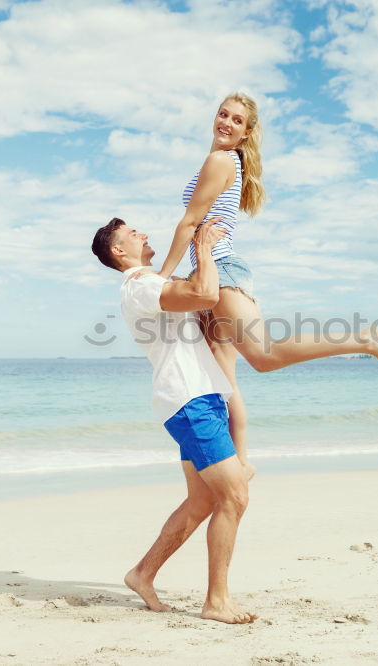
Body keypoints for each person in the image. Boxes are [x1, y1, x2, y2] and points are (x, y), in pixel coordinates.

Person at [151, 92, 378, 478]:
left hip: (220, 270)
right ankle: (240, 460)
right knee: (222, 375)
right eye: (223, 114)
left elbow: (189, 224)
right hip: (208, 273)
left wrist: (160, 278)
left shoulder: (220, 160)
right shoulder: (226, 162)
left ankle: (364, 339)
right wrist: (186, 275)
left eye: (237, 120)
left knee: (263, 355)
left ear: (246, 132)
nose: (226, 122)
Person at [91, 216, 256, 625]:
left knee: (204, 501)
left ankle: (142, 573)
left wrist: (194, 244)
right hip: (190, 401)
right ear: (118, 251)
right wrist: (203, 243)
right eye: (133, 234)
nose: (143, 234)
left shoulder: (148, 282)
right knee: (234, 498)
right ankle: (216, 601)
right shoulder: (141, 285)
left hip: (197, 397)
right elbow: (204, 293)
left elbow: (185, 286)